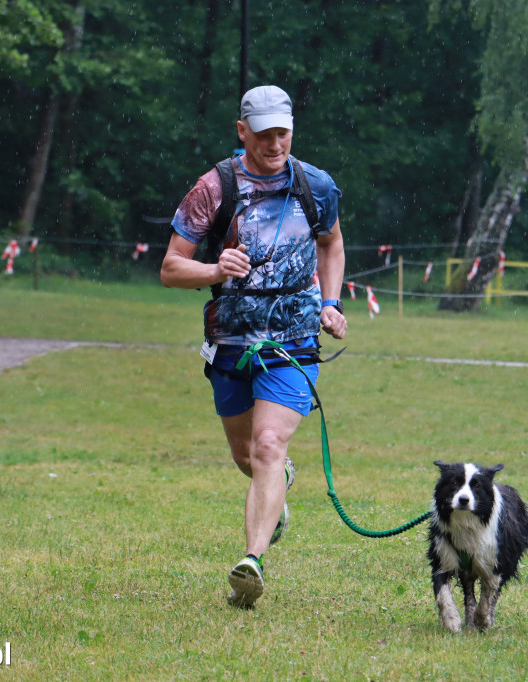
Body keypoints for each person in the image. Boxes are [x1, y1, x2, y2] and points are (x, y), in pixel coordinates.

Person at [161, 85, 347, 609]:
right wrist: (215, 267)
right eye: (262, 132)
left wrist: (330, 302)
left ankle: (252, 562)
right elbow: (171, 267)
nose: (273, 142)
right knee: (247, 455)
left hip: (294, 338)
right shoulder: (214, 187)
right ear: (242, 130)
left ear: (292, 129)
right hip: (231, 339)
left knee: (268, 444)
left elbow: (331, 243)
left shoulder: (316, 185)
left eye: (282, 132)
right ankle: (279, 484)